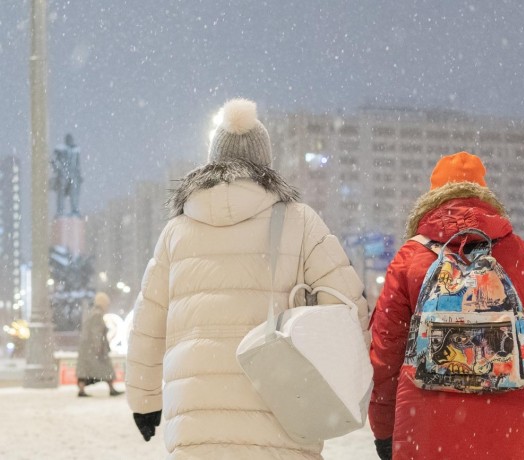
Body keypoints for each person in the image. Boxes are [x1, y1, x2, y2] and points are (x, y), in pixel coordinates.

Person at [125, 98, 369, 459]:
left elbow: (148, 323)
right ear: (265, 162)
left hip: (196, 427)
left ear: (212, 161)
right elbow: (348, 309)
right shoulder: (300, 220)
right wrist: (348, 381)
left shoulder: (175, 233)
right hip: (284, 412)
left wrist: (144, 399)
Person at [368, 152, 524, 460]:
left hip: (425, 424)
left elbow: (386, 350)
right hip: (507, 426)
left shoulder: (411, 257)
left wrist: (384, 427)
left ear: (433, 197)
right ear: (483, 193)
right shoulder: (521, 255)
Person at [76, 292, 122, 397]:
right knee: (106, 367)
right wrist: (99, 346)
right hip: (93, 349)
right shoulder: (97, 314)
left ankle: (82, 389)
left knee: (85, 370)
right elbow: (97, 332)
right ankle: (111, 388)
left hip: (87, 349)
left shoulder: (92, 312)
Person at [51, 133, 83, 216]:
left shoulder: (76, 151)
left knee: (74, 193)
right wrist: (59, 169)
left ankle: (74, 210)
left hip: (73, 175)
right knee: (61, 193)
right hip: (63, 176)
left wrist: (78, 175)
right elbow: (53, 160)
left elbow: (78, 164)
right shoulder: (60, 150)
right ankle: (60, 210)